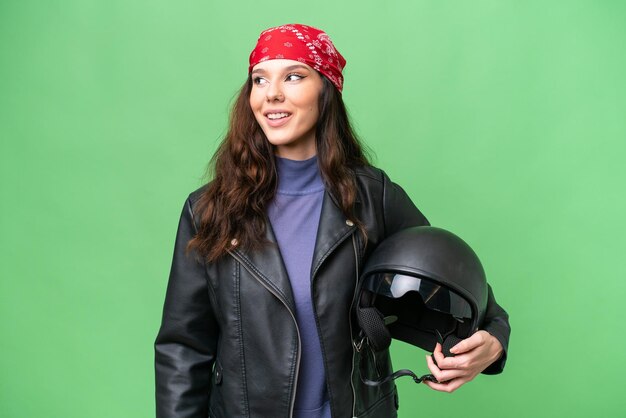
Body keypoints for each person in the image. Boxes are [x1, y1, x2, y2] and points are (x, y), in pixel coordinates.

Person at [155, 23, 510, 418]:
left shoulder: (373, 197)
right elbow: (183, 348)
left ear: (326, 89)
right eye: (259, 79)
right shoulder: (208, 210)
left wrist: (493, 340)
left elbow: (463, 290)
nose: (272, 93)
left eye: (293, 76)